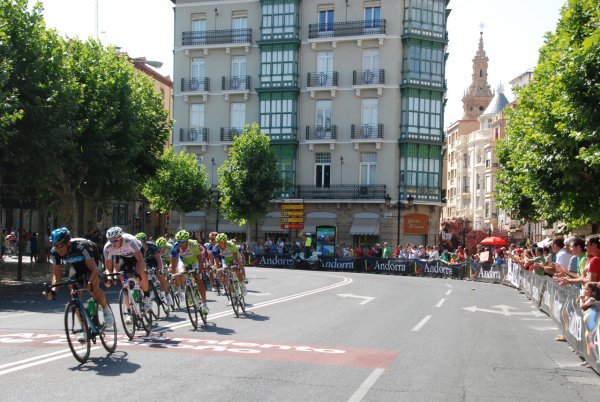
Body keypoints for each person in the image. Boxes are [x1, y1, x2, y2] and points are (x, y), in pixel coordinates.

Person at [44, 227, 113, 330]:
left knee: (92, 288)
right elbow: (56, 275)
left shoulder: (81, 247)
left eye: (60, 245)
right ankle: (84, 329)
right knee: (73, 291)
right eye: (55, 245)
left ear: (67, 243)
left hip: (92, 262)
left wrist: (89, 281)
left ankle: (106, 310)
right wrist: (53, 290)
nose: (58, 248)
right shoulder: (55, 252)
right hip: (76, 266)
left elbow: (94, 269)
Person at [103, 226, 151, 313]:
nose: (113, 243)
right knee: (123, 276)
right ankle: (129, 307)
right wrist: (109, 278)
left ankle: (147, 296)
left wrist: (137, 274)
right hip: (125, 257)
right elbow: (108, 268)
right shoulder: (107, 247)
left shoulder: (130, 241)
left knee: (141, 273)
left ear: (121, 238)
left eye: (115, 240)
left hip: (137, 254)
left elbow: (140, 260)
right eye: (111, 240)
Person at [170, 230, 209, 314]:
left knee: (198, 278)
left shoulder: (193, 245)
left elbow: (200, 258)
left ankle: (204, 303)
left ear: (187, 240)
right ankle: (189, 290)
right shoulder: (175, 248)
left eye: (182, 241)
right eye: (179, 241)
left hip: (194, 261)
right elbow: (174, 264)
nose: (180, 243)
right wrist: (173, 275)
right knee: (181, 273)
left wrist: (200, 269)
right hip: (183, 262)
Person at [136, 232, 173, 309]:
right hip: (145, 262)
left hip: (154, 261)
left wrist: (160, 270)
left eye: (140, 242)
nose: (138, 244)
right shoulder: (136, 249)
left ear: (145, 241)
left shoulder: (152, 246)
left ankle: (167, 294)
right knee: (145, 278)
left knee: (160, 276)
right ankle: (148, 297)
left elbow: (159, 260)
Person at [213, 232, 247, 298]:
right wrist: (218, 270)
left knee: (235, 269)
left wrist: (240, 267)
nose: (219, 244)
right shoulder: (216, 248)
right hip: (226, 259)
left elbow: (237, 259)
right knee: (226, 274)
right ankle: (232, 294)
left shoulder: (231, 245)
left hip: (235, 257)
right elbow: (217, 263)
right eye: (218, 242)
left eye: (221, 242)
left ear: (225, 241)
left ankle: (242, 285)